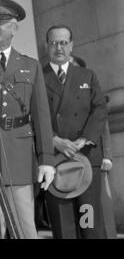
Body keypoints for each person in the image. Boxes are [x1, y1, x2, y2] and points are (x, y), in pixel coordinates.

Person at [0, 0, 56, 239]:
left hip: (20, 155)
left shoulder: (31, 65)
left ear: (15, 27)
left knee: (25, 229)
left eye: (2, 21)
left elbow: (41, 116)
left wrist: (46, 159)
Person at [42, 25, 107, 238]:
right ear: (46, 46)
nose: (58, 47)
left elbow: (99, 109)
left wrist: (83, 139)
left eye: (63, 42)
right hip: (55, 160)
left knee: (88, 221)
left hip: (85, 158)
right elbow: (33, 115)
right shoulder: (37, 78)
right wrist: (54, 140)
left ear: (71, 45)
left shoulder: (87, 75)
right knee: (63, 225)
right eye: (53, 43)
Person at [70, 56, 116, 238]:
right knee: (80, 210)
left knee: (95, 206)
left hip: (93, 159)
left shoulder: (92, 94)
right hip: (69, 160)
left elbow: (103, 128)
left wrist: (108, 156)